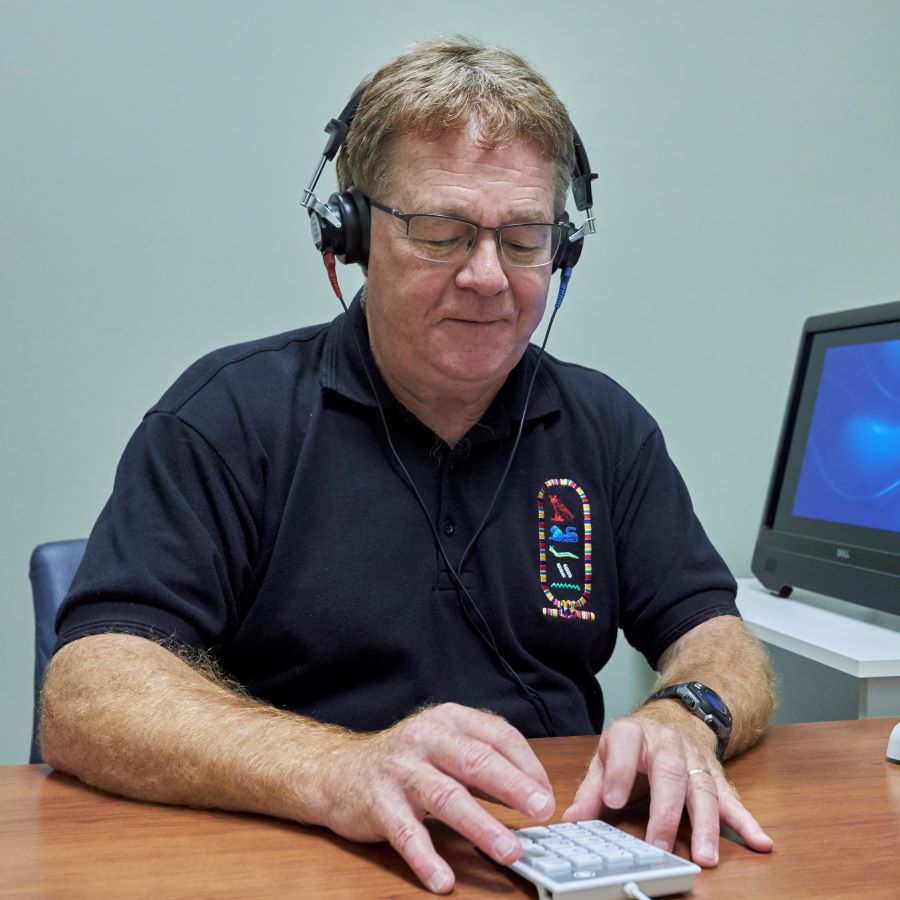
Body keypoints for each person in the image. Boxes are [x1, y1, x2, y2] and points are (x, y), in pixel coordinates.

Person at [41, 35, 775, 894]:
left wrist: (687, 715)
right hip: (301, 863)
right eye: (441, 231)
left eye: (526, 237)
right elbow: (86, 695)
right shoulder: (226, 417)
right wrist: (339, 767)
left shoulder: (606, 428)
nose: (487, 277)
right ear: (351, 234)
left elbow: (720, 640)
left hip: (556, 860)